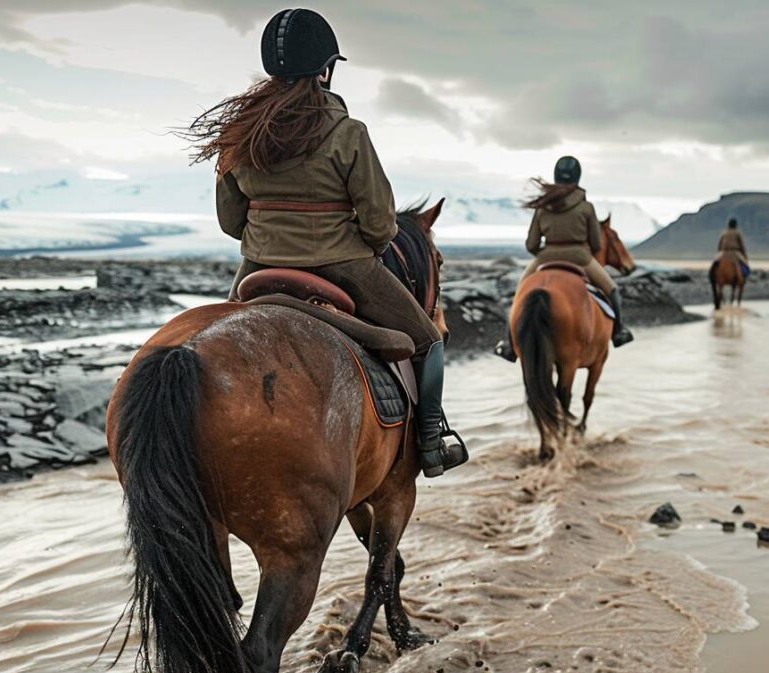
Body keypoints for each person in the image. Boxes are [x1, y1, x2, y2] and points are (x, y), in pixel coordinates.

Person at [188, 8, 464, 477]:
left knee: (206, 344)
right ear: (325, 68)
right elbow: (380, 223)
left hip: (256, 268)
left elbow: (231, 221)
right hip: (343, 264)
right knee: (428, 340)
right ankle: (433, 440)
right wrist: (357, 242)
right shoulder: (347, 132)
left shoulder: (239, 134)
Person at [493, 156, 633, 362]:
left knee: (520, 294)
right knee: (612, 289)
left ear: (556, 177)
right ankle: (619, 332)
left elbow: (531, 244)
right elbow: (597, 243)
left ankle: (508, 345)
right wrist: (580, 250)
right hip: (581, 257)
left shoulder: (543, 207)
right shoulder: (587, 208)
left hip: (544, 258)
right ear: (578, 177)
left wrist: (547, 252)